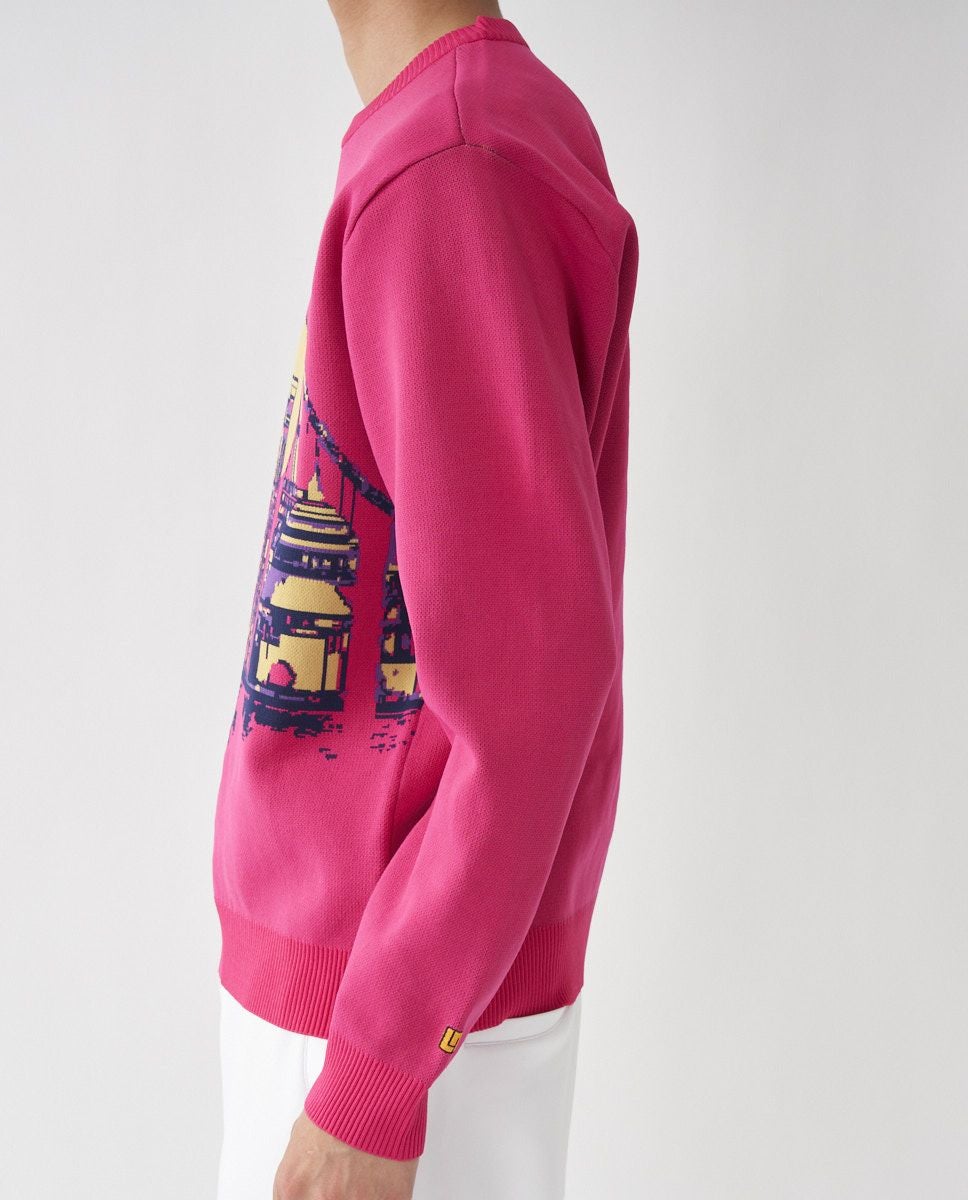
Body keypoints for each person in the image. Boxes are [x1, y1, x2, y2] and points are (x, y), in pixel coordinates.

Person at [211, 2, 639, 1197]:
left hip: (382, 1005)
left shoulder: (449, 164)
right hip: (397, 994)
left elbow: (536, 682)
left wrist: (375, 1075)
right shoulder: (468, 130)